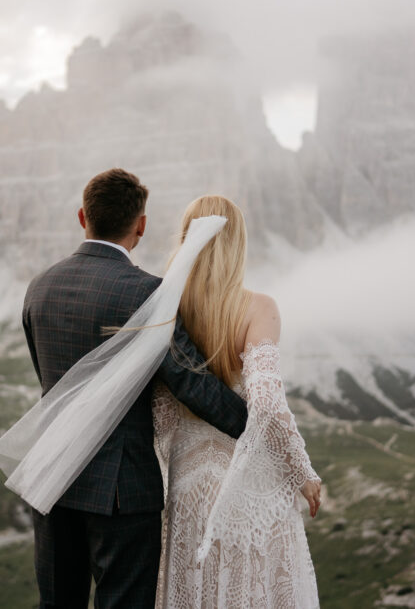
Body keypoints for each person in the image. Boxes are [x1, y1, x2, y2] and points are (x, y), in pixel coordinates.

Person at [13, 170, 249, 608]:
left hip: (50, 479)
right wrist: (259, 428)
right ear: (140, 225)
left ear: (82, 216)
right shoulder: (146, 293)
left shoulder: (38, 287)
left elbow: (49, 380)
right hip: (121, 491)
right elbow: (190, 384)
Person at [153, 195, 321, 608]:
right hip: (248, 488)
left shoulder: (167, 311)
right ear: (238, 244)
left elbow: (158, 413)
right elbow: (266, 401)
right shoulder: (257, 308)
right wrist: (302, 471)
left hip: (186, 486)